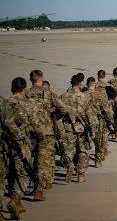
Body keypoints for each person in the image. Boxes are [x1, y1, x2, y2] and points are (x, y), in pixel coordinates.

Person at [25, 70, 74, 200]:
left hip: (28, 132)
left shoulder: (25, 93)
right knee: (44, 162)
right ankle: (39, 189)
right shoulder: (48, 94)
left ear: (31, 79)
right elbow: (63, 108)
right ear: (42, 78)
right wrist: (52, 118)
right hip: (46, 132)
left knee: (29, 160)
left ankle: (25, 188)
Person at [3, 78, 40, 219]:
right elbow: (37, 126)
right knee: (24, 174)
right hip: (21, 145)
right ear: (24, 90)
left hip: (5, 145)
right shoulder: (28, 105)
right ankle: (16, 199)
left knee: (10, 174)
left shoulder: (5, 103)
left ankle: (14, 209)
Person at [58, 74, 91, 183]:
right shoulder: (84, 96)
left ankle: (69, 165)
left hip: (68, 128)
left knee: (68, 151)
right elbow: (88, 114)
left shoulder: (63, 96)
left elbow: (59, 112)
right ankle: (81, 175)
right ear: (80, 83)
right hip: (81, 128)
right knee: (83, 151)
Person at [84, 77, 113, 168]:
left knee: (85, 142)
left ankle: (83, 162)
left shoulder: (82, 95)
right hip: (98, 122)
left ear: (87, 84)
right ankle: (97, 161)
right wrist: (110, 121)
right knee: (98, 142)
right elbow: (106, 109)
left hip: (85, 122)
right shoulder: (100, 94)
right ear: (94, 84)